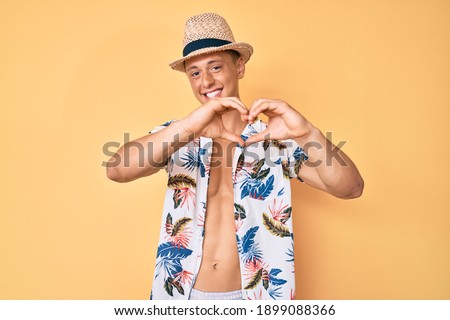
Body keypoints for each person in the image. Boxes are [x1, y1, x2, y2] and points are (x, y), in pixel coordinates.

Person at [106, 12, 364, 300]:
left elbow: (350, 187)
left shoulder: (275, 139)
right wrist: (190, 127)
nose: (205, 81)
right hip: (181, 297)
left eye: (215, 67)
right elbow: (117, 169)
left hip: (254, 298)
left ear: (239, 67)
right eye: (195, 73)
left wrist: (307, 133)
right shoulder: (177, 136)